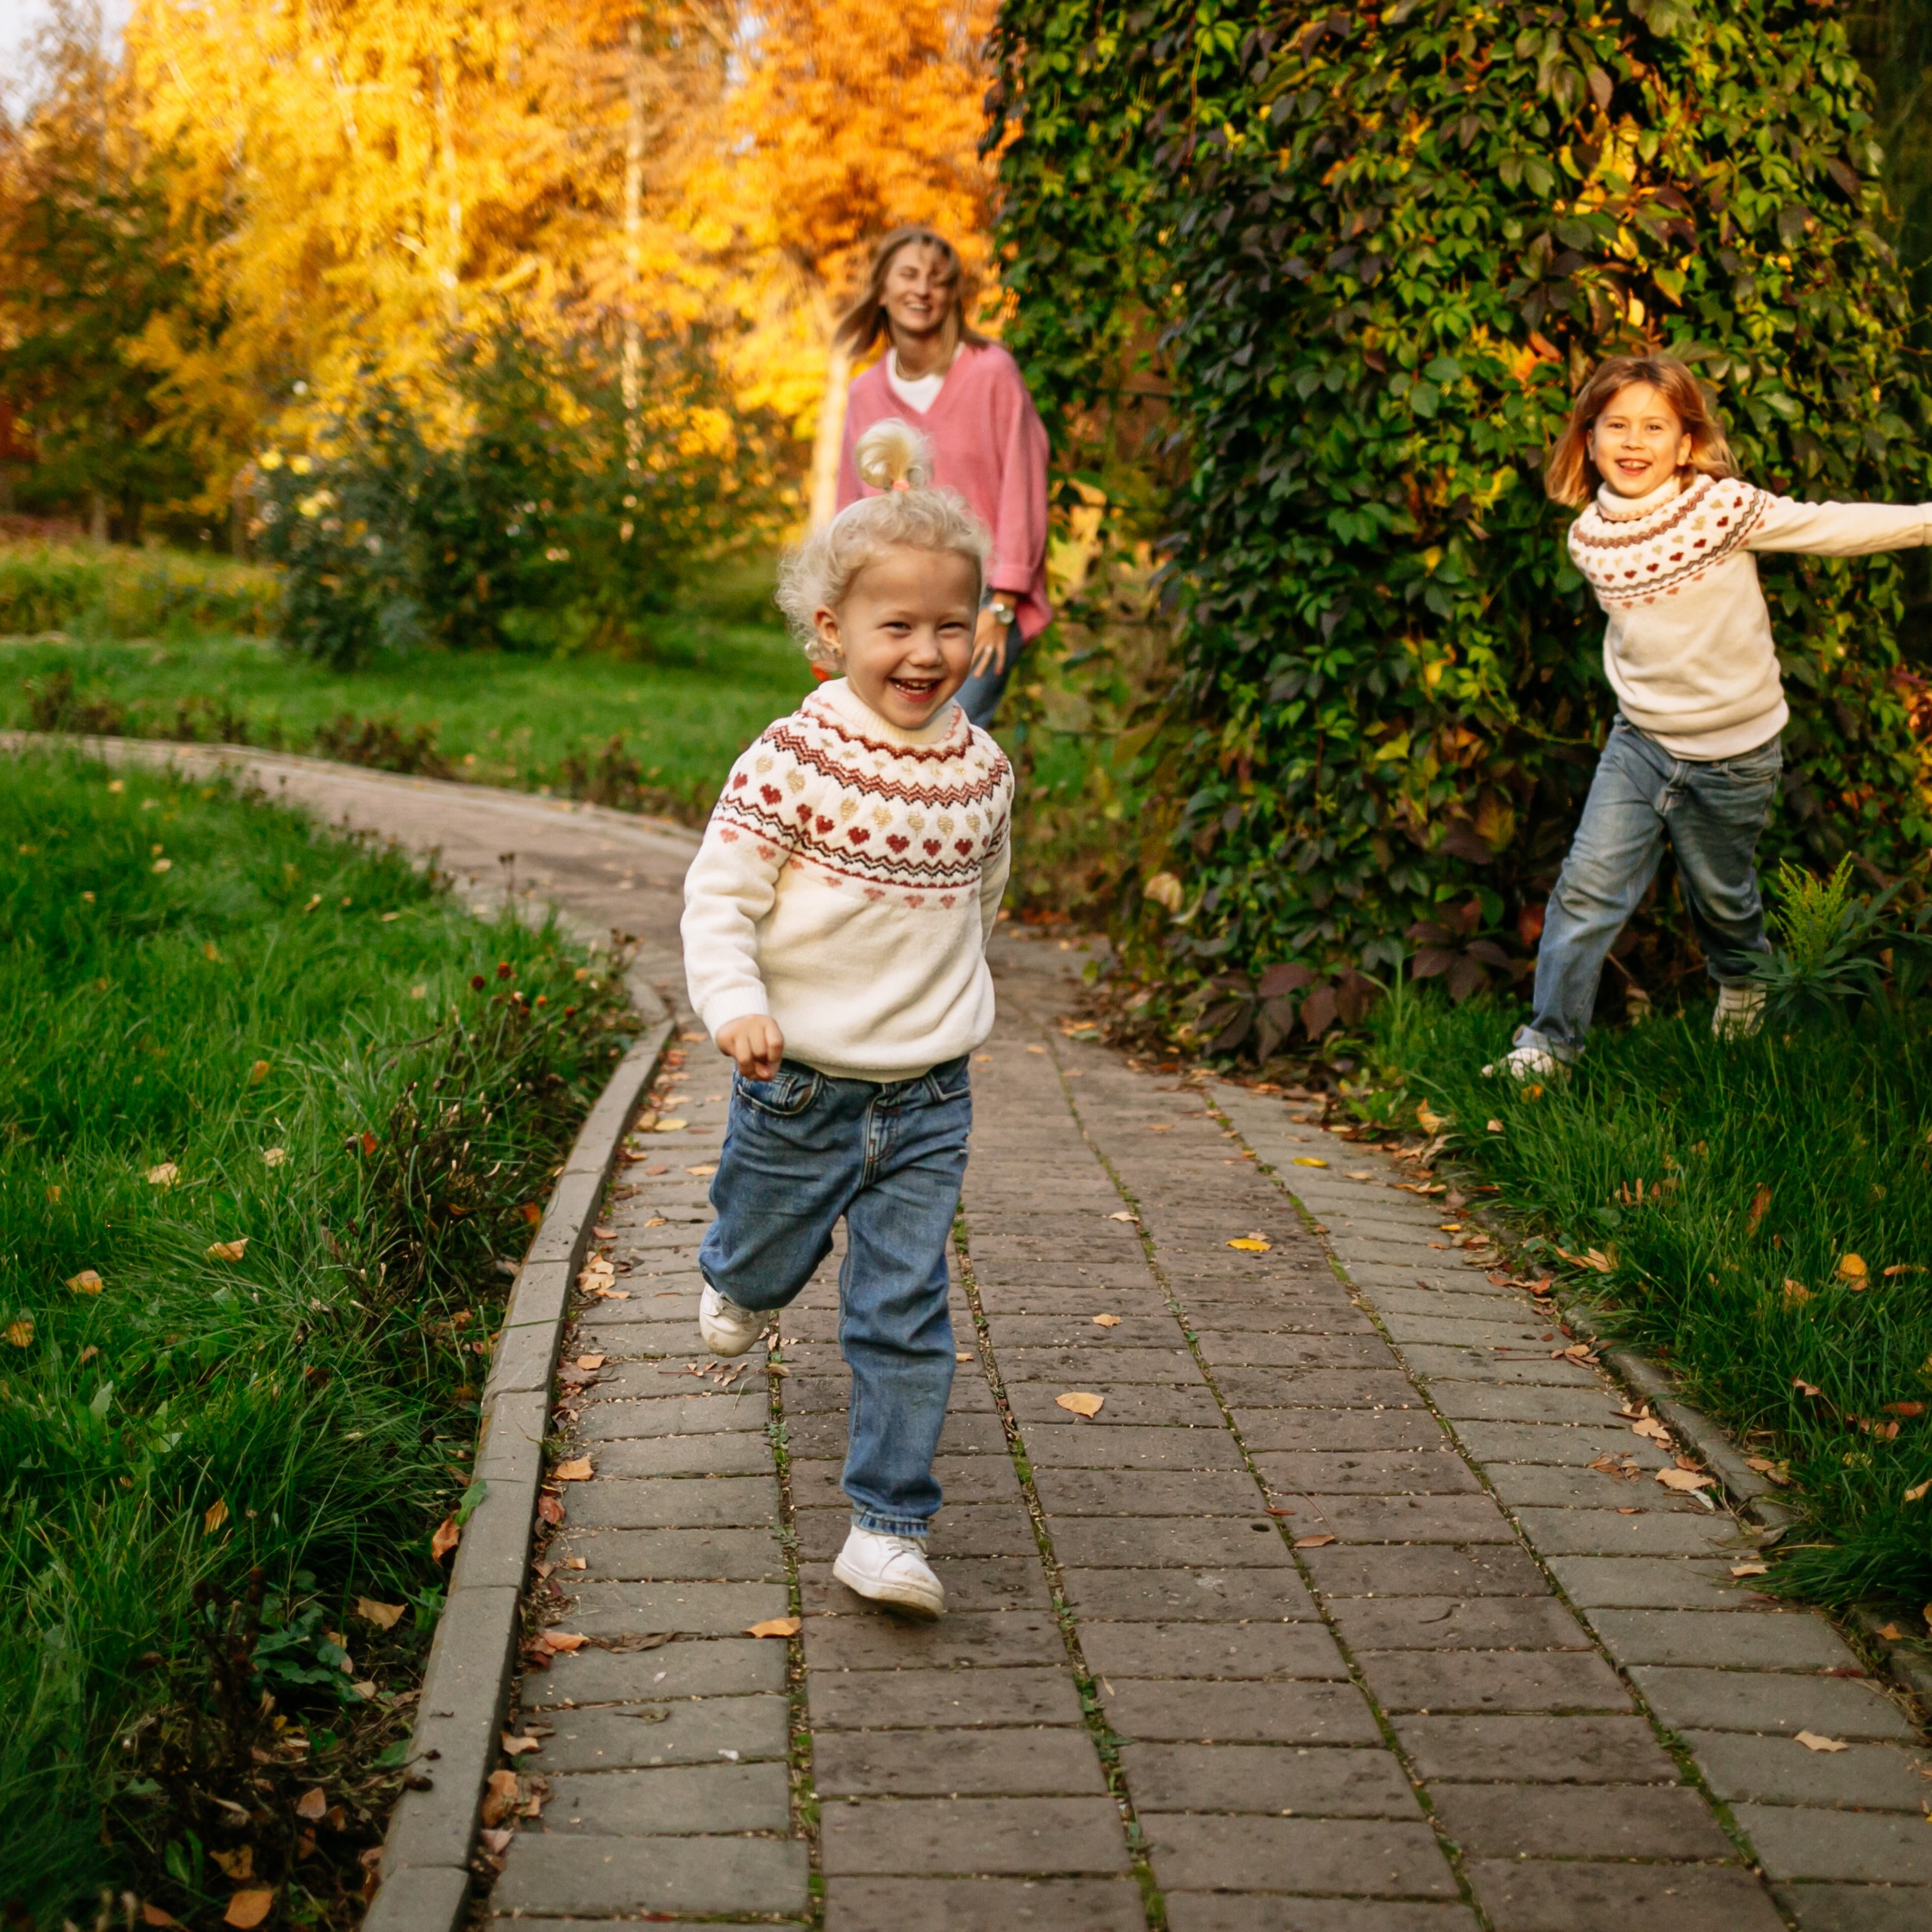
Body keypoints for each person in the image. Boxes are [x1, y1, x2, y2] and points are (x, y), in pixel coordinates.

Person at [680, 418, 1014, 1618]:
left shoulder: (982, 767)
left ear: (982, 630)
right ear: (832, 634)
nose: (925, 653)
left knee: (902, 1307)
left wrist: (953, 996)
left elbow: (981, 889)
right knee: (765, 1263)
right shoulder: (793, 758)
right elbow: (720, 898)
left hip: (929, 1095)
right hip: (798, 1082)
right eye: (896, 625)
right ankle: (736, 1271)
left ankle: (887, 1528)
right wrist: (738, 1005)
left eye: (948, 626)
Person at [1491, 352, 1932, 1078]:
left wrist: (1919, 525)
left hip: (1736, 752)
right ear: (1589, 438)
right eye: (1617, 427)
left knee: (1723, 900)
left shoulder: (1721, 510)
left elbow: (1828, 526)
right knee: (1586, 889)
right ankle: (1548, 1047)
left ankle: (1741, 979)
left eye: (1654, 427)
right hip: (1639, 743)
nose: (1634, 443)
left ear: (1686, 442)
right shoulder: (1588, 540)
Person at [832, 224, 1051, 731]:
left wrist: (1001, 608)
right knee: (875, 740)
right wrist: (839, 603)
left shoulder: (991, 372)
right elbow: (850, 505)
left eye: (938, 279)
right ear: (882, 289)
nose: (923, 290)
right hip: (889, 595)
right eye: (908, 275)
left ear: (952, 294)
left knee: (952, 735)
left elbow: (1024, 487)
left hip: (977, 598)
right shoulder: (865, 392)